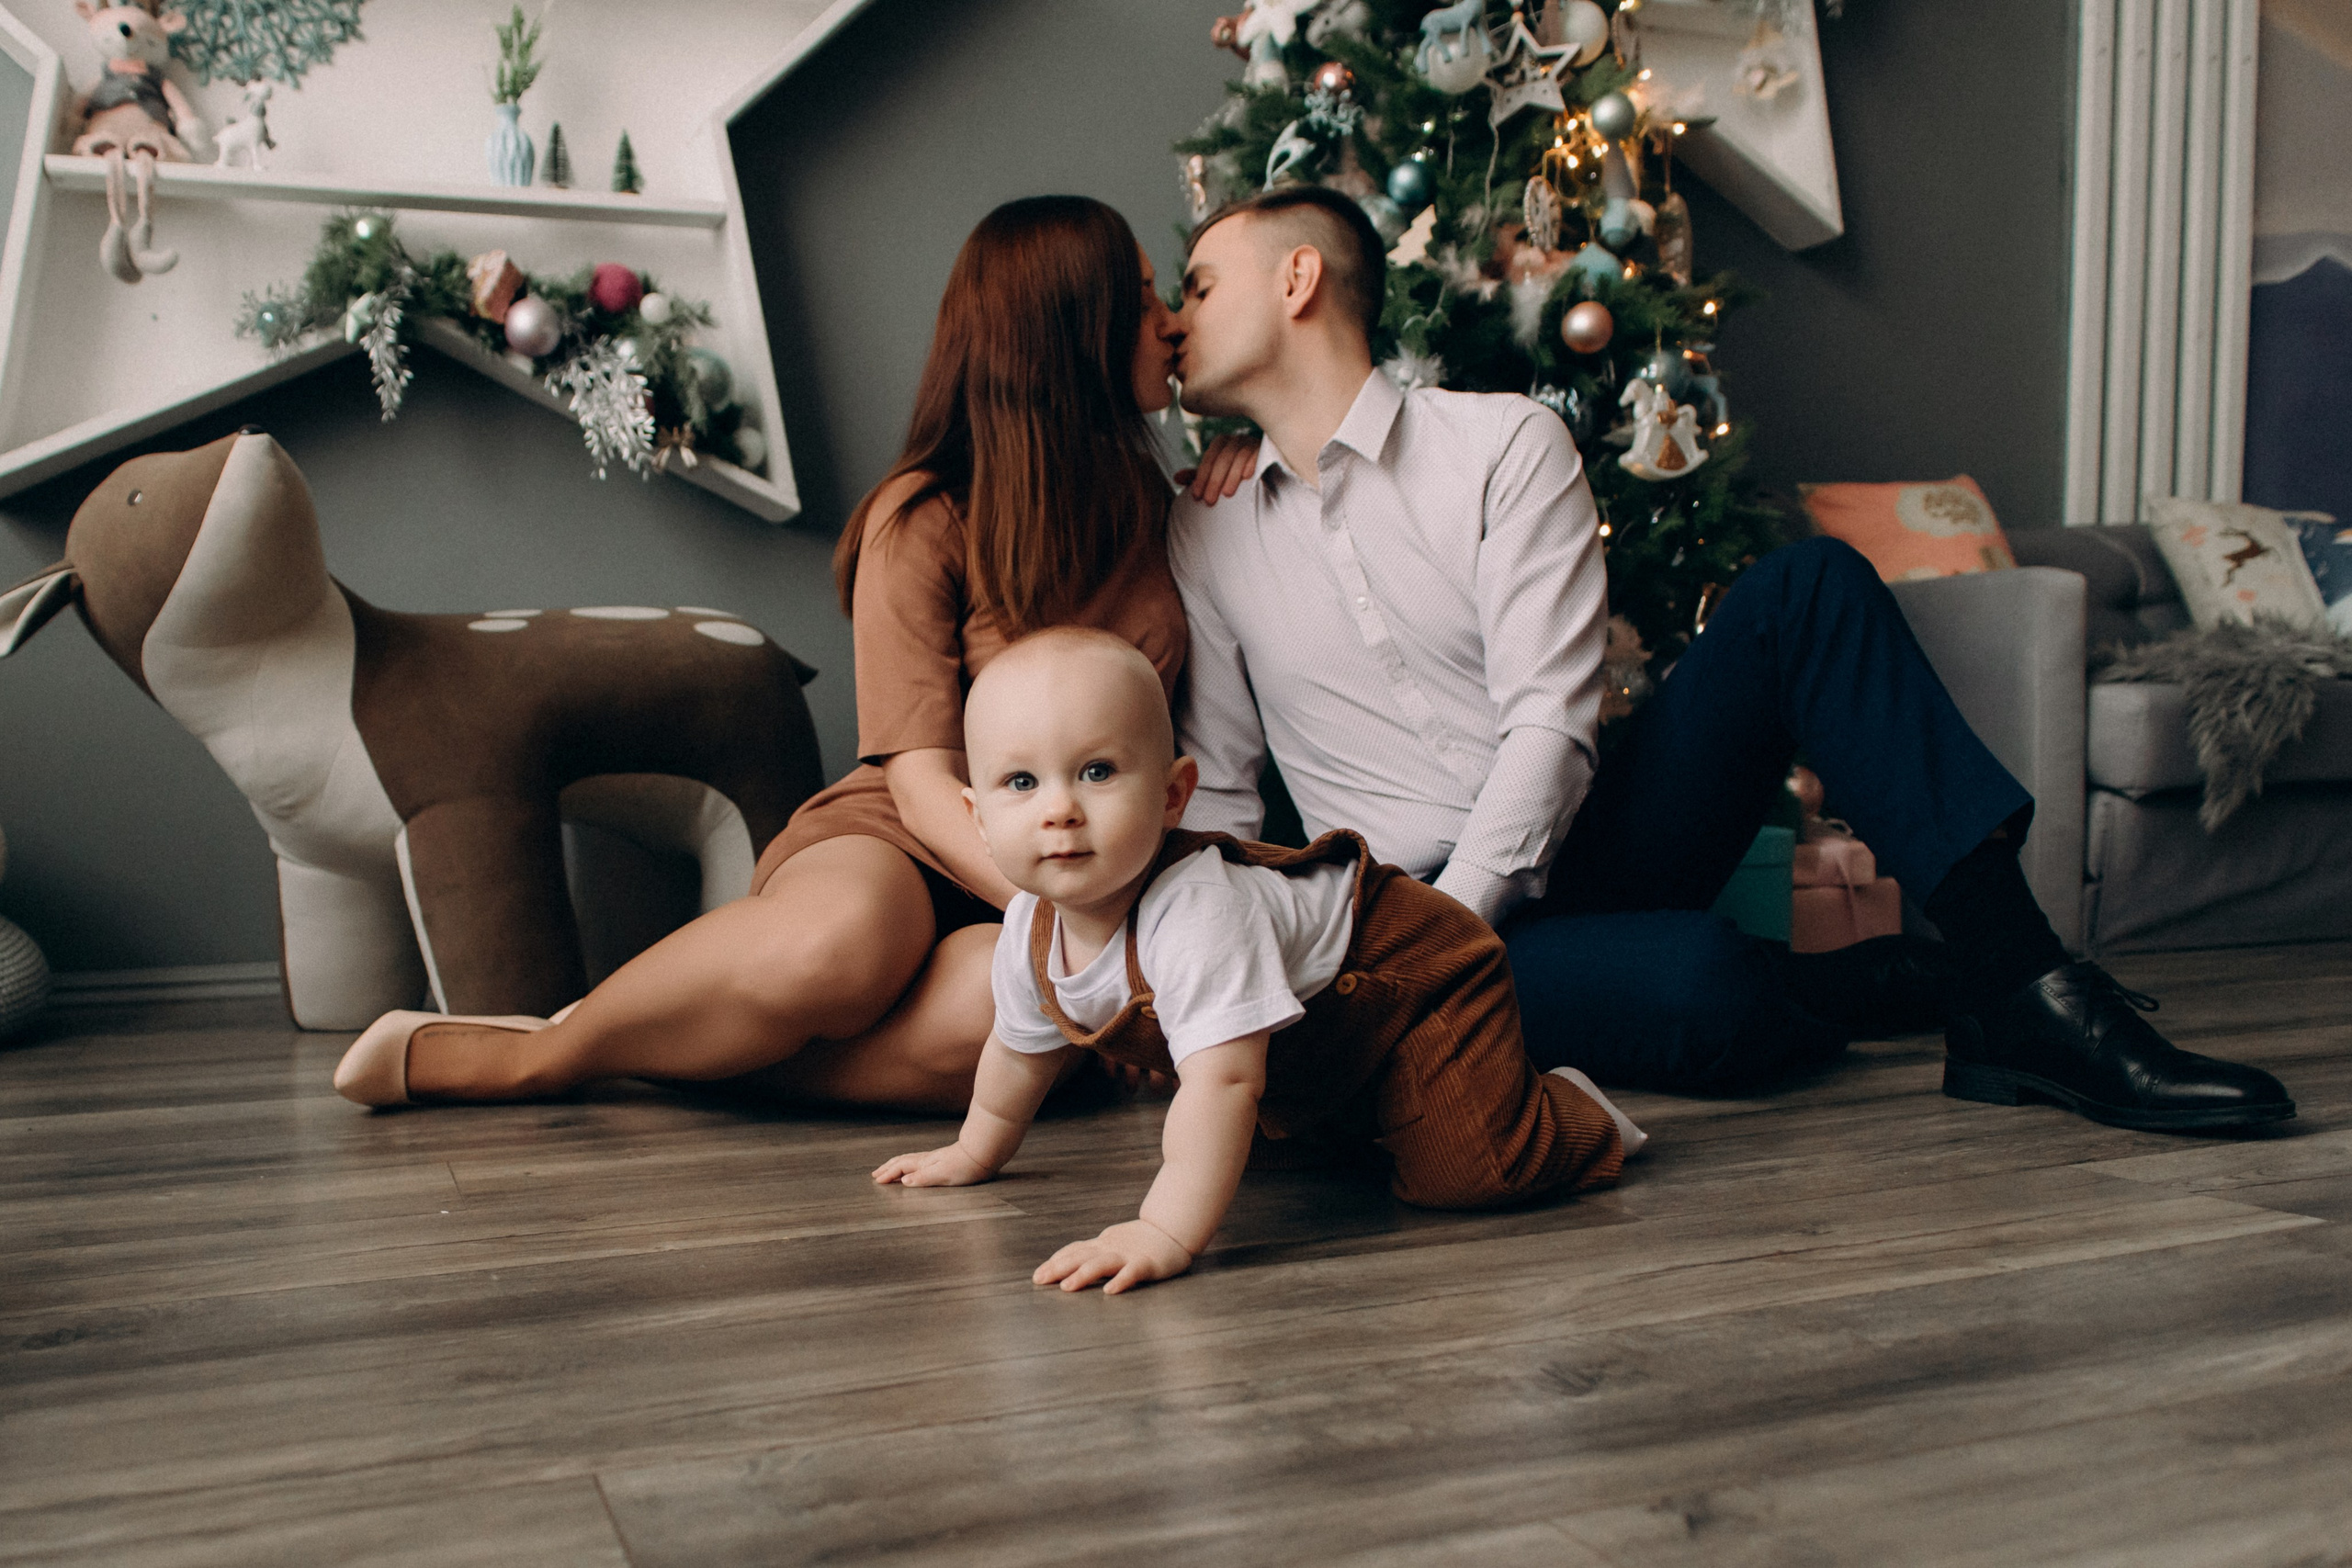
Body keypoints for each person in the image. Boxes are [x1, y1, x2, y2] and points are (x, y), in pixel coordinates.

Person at [1165, 185, 2294, 1134]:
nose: (1176, 320)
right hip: (1395, 909)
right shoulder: (1205, 528)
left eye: (1200, 285)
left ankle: (2021, 985)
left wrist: (1448, 936)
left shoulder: (1498, 444)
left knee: (1807, 589)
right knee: (1704, 988)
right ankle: (1847, 983)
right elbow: (1217, 786)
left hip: (1584, 834)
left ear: (1297, 279)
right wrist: (1247, 974)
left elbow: (1551, 731)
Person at [333, 196, 1187, 1111]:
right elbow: (918, 778)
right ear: (1070, 330)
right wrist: (1084, 918)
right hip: (912, 838)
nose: (1172, 324)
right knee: (840, 952)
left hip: (1071, 858)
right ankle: (545, 1054)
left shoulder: (1163, 507)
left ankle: (656, 1054)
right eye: (1142, 301)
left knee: (1012, 1016)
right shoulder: (924, 518)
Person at [872, 628, 1642, 1293]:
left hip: (1417, 973)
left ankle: (1568, 1112)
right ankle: (1391, 1109)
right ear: (977, 816)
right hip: (1316, 1027)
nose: (1060, 808)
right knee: (1270, 1154)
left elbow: (1225, 1078)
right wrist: (975, 1150)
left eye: (1098, 771)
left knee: (1465, 1173)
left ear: (1174, 795)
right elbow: (1017, 1053)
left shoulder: (1197, 911)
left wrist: (1162, 1231)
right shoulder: (1032, 928)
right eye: (1021, 781)